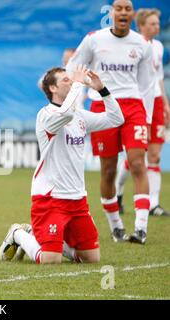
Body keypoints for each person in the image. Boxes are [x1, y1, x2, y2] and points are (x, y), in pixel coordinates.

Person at [0, 65, 124, 264]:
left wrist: (102, 89)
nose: (72, 81)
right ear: (52, 89)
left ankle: (43, 237)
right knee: (50, 260)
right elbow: (65, 114)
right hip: (51, 198)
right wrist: (77, 84)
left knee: (91, 259)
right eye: (66, 80)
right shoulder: (46, 114)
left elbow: (116, 118)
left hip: (77, 199)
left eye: (71, 79)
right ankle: (18, 234)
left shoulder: (80, 116)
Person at [66, 0, 155, 244]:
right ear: (112, 12)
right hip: (102, 106)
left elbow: (147, 84)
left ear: (133, 14)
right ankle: (116, 227)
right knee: (108, 169)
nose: (123, 12)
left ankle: (140, 228)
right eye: (119, 8)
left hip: (132, 106)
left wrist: (146, 118)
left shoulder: (141, 44)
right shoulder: (94, 39)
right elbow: (73, 66)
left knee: (137, 163)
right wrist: (77, 101)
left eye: (128, 9)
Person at [115, 8, 170, 217]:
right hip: (137, 103)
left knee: (154, 155)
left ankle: (153, 204)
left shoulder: (158, 46)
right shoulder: (133, 45)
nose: (157, 27)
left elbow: (157, 78)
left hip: (155, 102)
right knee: (135, 155)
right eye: (153, 23)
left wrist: (165, 103)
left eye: (158, 23)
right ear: (141, 26)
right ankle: (118, 191)